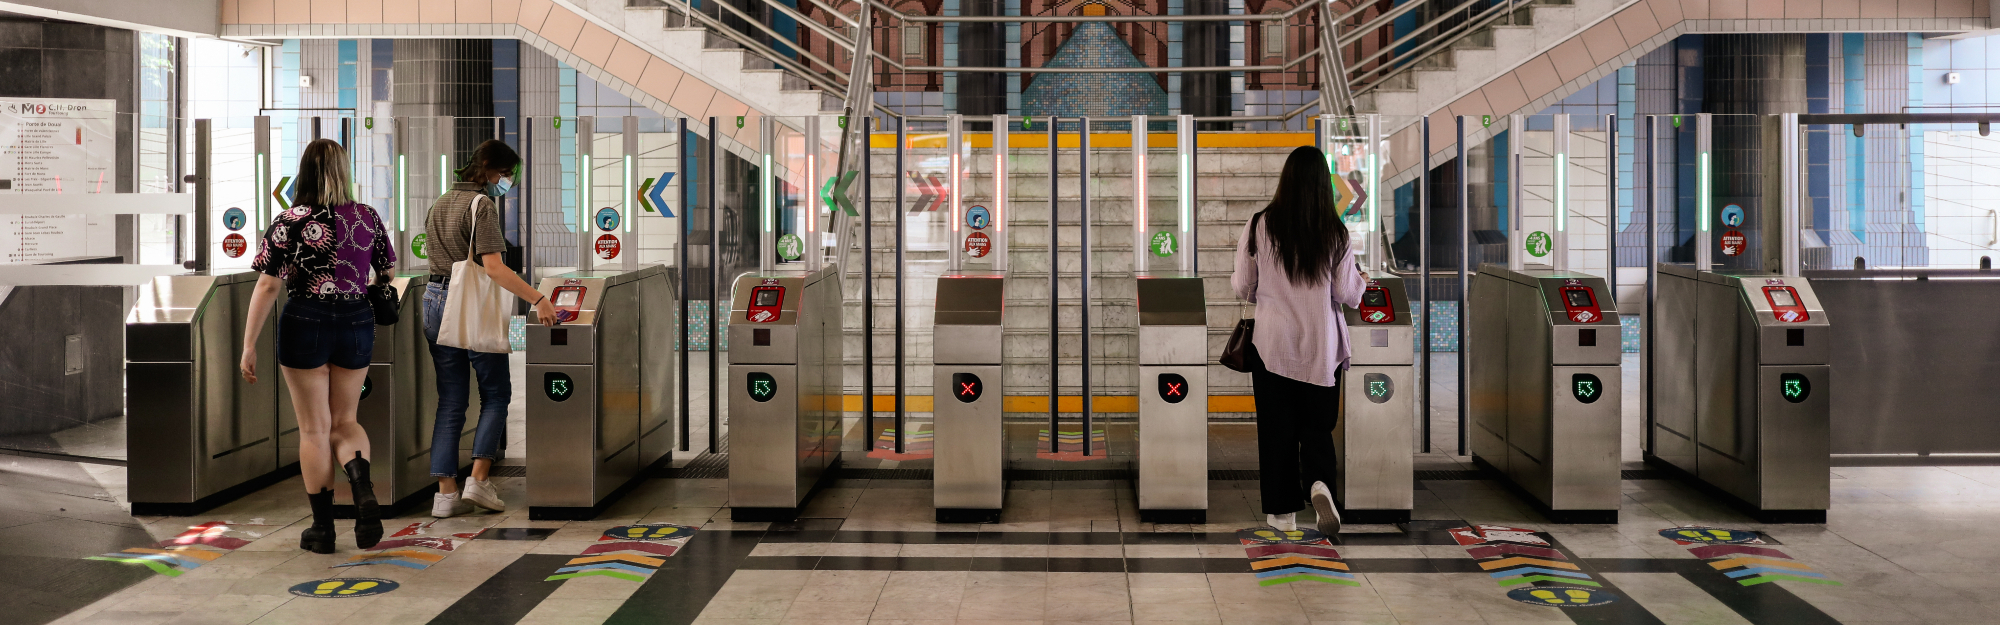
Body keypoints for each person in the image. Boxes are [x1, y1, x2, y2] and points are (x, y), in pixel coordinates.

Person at [239, 138, 395, 553]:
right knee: (345, 420)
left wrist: (248, 344)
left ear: (304, 172)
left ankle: (322, 530)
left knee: (314, 429)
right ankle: (361, 487)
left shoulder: (289, 220)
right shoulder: (366, 216)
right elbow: (388, 270)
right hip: (357, 320)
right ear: (345, 171)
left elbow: (269, 283)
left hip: (306, 319)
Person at [1230, 145, 1368, 536]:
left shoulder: (1261, 224)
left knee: (1277, 430)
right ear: (1323, 186)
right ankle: (1320, 485)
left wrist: (1270, 295)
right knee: (1317, 427)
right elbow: (1346, 293)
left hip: (1271, 346)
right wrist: (1363, 281)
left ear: (1285, 181)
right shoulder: (1335, 233)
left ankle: (1282, 513)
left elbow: (1243, 285)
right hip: (1321, 349)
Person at [423, 139, 560, 517]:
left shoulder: (440, 201)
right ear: (489, 169)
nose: (507, 181)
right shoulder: (481, 205)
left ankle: (445, 494)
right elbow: (494, 267)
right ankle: (479, 481)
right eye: (506, 173)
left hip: (434, 300)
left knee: (451, 400)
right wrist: (538, 298)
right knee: (496, 393)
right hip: (468, 304)